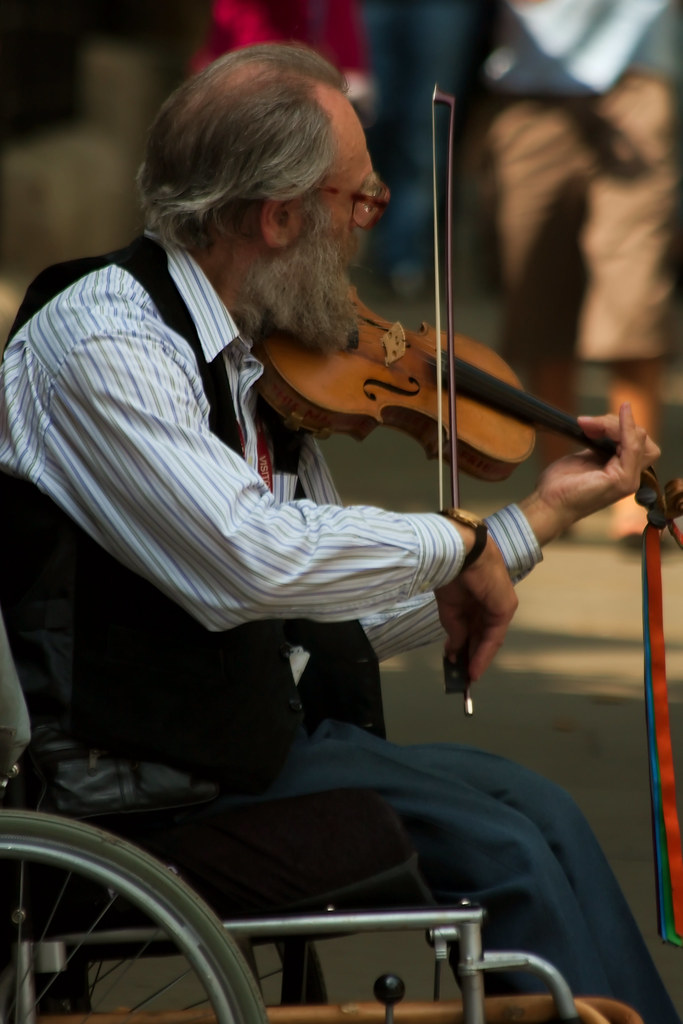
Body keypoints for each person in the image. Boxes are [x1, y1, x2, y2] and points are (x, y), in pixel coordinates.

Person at [0, 43, 679, 1022]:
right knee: (506, 851)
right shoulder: (105, 339)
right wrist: (461, 544)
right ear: (279, 217)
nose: (371, 225)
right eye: (358, 201)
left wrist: (530, 522)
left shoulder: (254, 360)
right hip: (138, 780)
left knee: (547, 810)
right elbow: (251, 562)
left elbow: (329, 614)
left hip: (235, 742)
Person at [479, 0, 680, 542]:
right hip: (530, 85)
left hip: (639, 76)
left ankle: (635, 496)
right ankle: (560, 487)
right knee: (539, 294)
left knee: (635, 293)